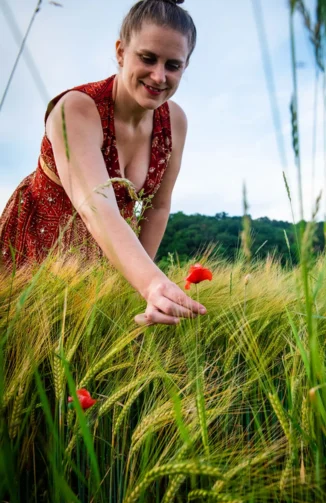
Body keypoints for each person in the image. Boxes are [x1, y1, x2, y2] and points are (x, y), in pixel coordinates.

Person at [0, 0, 207, 326]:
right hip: (36, 255)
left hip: (108, 256)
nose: (158, 76)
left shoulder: (175, 121)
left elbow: (158, 207)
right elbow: (96, 207)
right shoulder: (76, 110)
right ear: (121, 51)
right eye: (147, 58)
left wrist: (140, 286)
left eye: (173, 65)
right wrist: (152, 282)